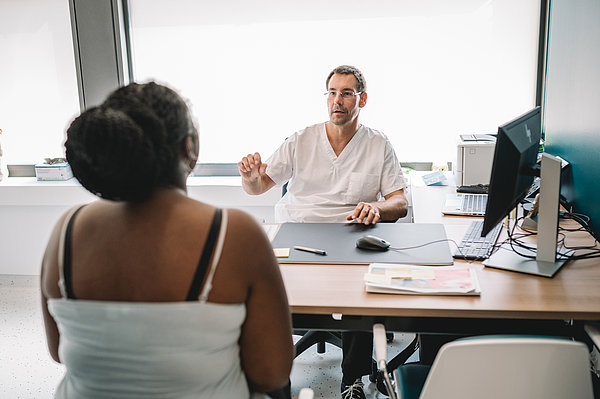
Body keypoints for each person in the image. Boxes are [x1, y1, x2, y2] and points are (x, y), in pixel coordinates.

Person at [40, 82, 294, 398]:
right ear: (190, 148)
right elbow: (272, 374)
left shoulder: (67, 229)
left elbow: (58, 351)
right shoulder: (233, 231)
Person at [238, 66, 409, 399]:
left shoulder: (377, 144)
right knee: (266, 294)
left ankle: (353, 381)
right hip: (298, 231)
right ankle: (271, 378)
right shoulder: (301, 139)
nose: (337, 101)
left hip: (350, 232)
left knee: (361, 294)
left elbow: (399, 202)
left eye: (346, 93)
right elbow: (258, 188)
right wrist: (249, 176)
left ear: (362, 99)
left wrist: (377, 209)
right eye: (332, 93)